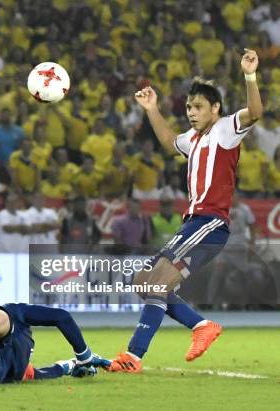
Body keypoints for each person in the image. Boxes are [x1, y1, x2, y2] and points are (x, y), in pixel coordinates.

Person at [108, 49, 263, 373]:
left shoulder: (226, 129)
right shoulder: (193, 138)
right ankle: (200, 325)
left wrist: (249, 75)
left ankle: (133, 357)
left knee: (157, 285)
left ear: (215, 108)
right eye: (189, 107)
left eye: (198, 107)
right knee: (144, 281)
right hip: (192, 223)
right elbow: (168, 140)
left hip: (210, 223)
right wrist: (151, 109)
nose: (191, 113)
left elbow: (256, 112)